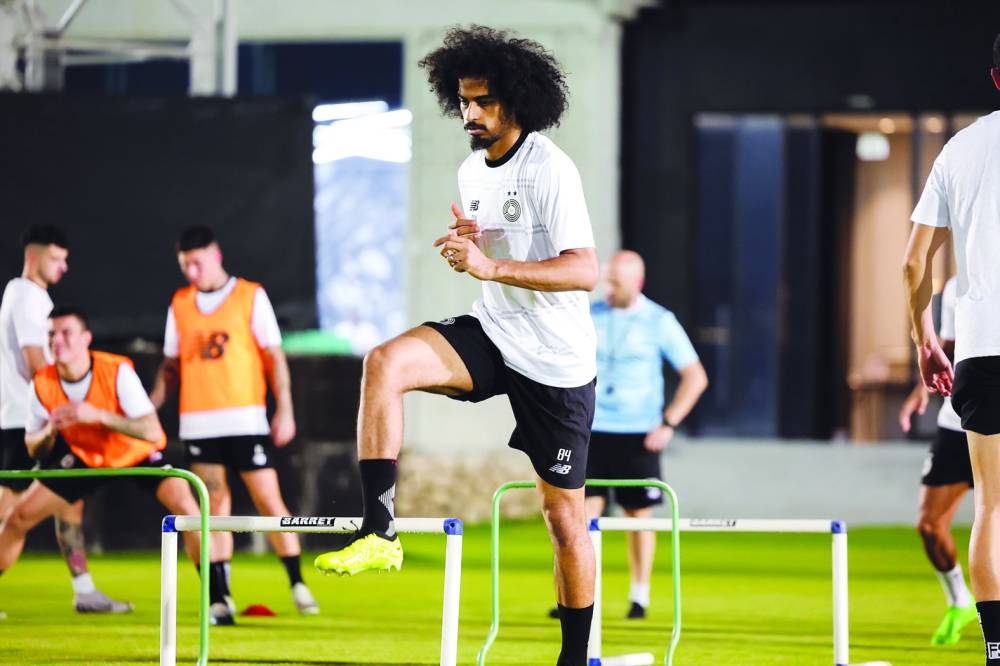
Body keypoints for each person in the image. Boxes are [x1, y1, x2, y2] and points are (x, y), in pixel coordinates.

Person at [314, 26, 600, 666]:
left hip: (557, 361)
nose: (469, 114)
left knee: (562, 523)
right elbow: (491, 256)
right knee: (384, 362)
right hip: (496, 331)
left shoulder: (551, 168)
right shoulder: (473, 169)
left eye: (483, 102)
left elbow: (584, 271)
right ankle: (380, 531)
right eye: (463, 100)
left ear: (517, 101)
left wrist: (490, 266)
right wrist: (471, 245)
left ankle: (575, 659)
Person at [150, 226, 318, 625]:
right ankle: (220, 595)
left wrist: (285, 409)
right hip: (198, 422)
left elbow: (274, 357)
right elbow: (171, 364)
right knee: (213, 504)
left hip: (244, 417)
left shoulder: (250, 295)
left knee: (267, 500)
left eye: (197, 261)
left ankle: (296, 581)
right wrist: (152, 405)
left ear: (216, 255)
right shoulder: (180, 302)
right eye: (184, 264)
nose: (192, 270)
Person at [902, 33, 1000, 664]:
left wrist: (926, 341)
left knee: (993, 505)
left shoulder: (960, 150)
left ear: (994, 78)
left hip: (984, 351)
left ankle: (997, 648)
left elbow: (914, 265)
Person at [0, 307, 204, 597]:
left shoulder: (117, 370)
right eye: (51, 334)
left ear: (86, 338)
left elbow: (152, 431)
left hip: (135, 453)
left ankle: (217, 598)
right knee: (18, 517)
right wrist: (49, 431)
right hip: (87, 456)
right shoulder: (42, 382)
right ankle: (85, 593)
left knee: (187, 507)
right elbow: (33, 446)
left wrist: (96, 415)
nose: (57, 340)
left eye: (66, 333)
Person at [0, 226, 129, 614]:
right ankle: (85, 590)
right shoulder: (28, 296)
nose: (64, 267)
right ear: (35, 257)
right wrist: (67, 402)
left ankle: (85, 590)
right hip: (29, 421)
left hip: (27, 417)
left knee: (68, 500)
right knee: (11, 515)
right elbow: (35, 360)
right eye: (58, 258)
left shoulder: (22, 294)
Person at [579, 250, 707, 620]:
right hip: (592, 431)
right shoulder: (592, 314)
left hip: (638, 434)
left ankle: (639, 596)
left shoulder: (659, 321)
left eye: (616, 282)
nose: (609, 288)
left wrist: (668, 423)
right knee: (584, 515)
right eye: (608, 280)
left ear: (637, 283)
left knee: (639, 516)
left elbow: (696, 377)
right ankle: (580, 595)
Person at [899, 276, 977, 645]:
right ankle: (959, 599)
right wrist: (921, 391)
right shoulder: (954, 286)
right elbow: (945, 347)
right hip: (956, 424)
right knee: (929, 526)